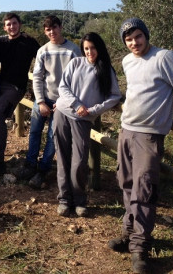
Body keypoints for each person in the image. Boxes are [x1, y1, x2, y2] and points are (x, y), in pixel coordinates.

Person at [108, 18, 173, 274]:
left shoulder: (164, 57)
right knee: (126, 184)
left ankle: (140, 248)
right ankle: (129, 234)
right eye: (128, 39)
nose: (134, 42)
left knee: (144, 189)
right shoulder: (128, 61)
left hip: (149, 135)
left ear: (146, 35)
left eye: (138, 36)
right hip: (127, 131)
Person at [54, 32, 122, 217]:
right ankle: (64, 199)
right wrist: (77, 104)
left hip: (83, 120)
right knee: (62, 157)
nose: (89, 52)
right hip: (62, 113)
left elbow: (115, 96)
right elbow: (63, 87)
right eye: (86, 48)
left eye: (92, 48)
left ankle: (80, 200)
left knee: (79, 162)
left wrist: (93, 110)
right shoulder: (76, 63)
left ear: (99, 48)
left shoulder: (106, 70)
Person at [16, 15, 81, 189]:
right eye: (48, 29)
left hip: (63, 102)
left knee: (53, 136)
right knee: (35, 132)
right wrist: (41, 101)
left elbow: (78, 79)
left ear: (60, 27)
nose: (52, 32)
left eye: (54, 28)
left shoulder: (73, 50)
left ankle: (43, 169)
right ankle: (30, 164)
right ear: (45, 31)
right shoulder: (43, 51)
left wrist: (64, 102)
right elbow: (37, 77)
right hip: (44, 98)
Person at [0, 13, 40, 179]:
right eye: (8, 25)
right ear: (4, 28)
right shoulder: (1, 43)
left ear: (19, 24)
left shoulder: (29, 42)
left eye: (14, 23)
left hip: (15, 88)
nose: (12, 27)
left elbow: (43, 60)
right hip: (0, 84)